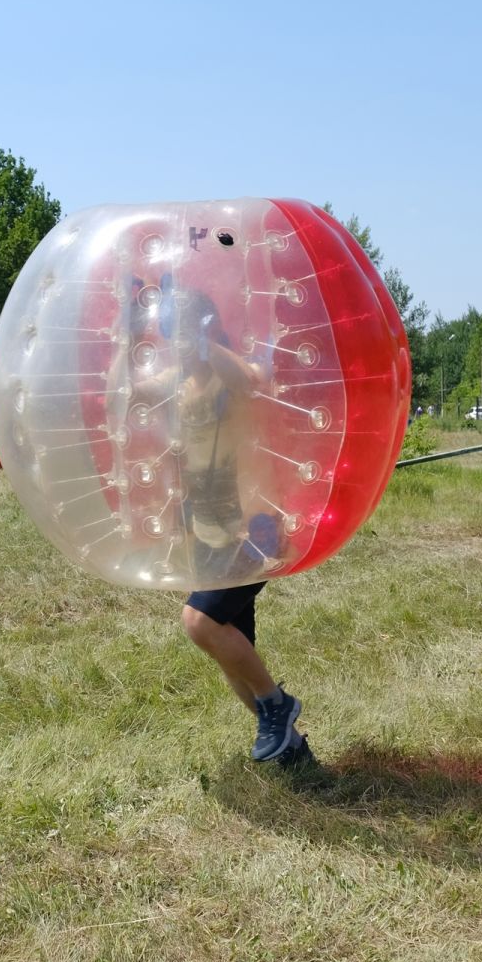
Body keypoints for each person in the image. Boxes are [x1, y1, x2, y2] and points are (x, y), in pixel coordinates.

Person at [161, 291, 306, 763]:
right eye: (172, 331)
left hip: (256, 522)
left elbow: (250, 379)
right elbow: (131, 393)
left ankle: (277, 706)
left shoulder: (229, 368)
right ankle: (291, 751)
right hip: (206, 527)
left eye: (186, 329)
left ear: (204, 328)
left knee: (199, 621)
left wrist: (206, 343)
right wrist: (122, 345)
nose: (178, 341)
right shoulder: (178, 381)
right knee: (232, 652)